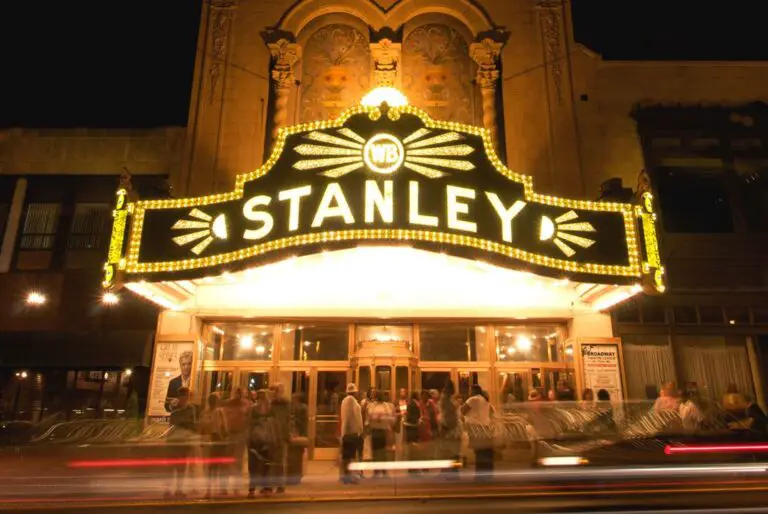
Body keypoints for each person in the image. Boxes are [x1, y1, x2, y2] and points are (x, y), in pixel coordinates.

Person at [164, 387, 197, 499]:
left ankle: (179, 489)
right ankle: (167, 490)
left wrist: (184, 422)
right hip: (173, 440)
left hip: (184, 440)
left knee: (181, 467)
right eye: (184, 395)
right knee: (171, 466)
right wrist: (185, 422)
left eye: (186, 395)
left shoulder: (190, 408)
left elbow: (192, 424)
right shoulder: (175, 407)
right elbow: (175, 421)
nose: (186, 398)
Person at [199, 393, 229, 499]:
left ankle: (219, 487)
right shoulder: (204, 413)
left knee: (218, 465)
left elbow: (224, 427)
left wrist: (224, 439)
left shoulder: (220, 412)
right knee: (208, 466)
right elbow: (201, 428)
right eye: (212, 399)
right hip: (207, 439)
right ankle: (209, 489)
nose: (213, 402)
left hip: (217, 439)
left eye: (215, 400)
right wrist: (201, 440)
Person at [462, 384, 494, 481]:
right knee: (485, 452)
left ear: (473, 391)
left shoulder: (472, 399)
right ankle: (487, 474)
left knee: (479, 452)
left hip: (476, 428)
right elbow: (491, 413)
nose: (469, 392)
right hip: (486, 427)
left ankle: (480, 475)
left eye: (470, 390)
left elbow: (462, 410)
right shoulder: (485, 400)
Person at [247, 389, 276, 497]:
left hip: (266, 439)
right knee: (255, 464)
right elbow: (249, 423)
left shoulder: (270, 409)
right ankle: (253, 487)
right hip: (256, 439)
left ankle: (265, 487)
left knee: (266, 464)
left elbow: (274, 423)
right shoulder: (254, 409)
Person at [223, 388, 251, 495]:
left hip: (240, 434)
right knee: (226, 461)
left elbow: (249, 419)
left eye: (240, 392)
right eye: (236, 392)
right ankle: (224, 487)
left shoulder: (246, 404)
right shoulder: (228, 404)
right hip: (229, 434)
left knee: (238, 462)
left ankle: (236, 487)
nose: (238, 395)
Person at [340, 383, 363, 484]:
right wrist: (360, 431)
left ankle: (346, 476)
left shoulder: (344, 401)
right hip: (352, 432)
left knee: (346, 457)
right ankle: (351, 477)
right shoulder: (352, 402)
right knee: (351, 456)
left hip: (346, 432)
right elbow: (356, 417)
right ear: (354, 392)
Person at [269, 384, 291, 494]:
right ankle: (275, 484)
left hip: (279, 436)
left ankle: (279, 484)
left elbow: (288, 420)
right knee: (274, 461)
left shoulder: (283, 404)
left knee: (279, 461)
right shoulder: (271, 405)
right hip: (273, 436)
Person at [368, 390, 394, 477]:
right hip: (375, 431)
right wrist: (377, 417)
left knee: (383, 452)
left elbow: (390, 417)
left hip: (383, 431)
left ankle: (384, 471)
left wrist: (381, 418)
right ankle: (376, 471)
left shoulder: (386, 406)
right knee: (375, 452)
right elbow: (370, 416)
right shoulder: (372, 405)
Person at [438, 380, 461, 480]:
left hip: (448, 427)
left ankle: (449, 472)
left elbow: (446, 414)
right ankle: (453, 472)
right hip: (453, 427)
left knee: (447, 451)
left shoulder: (447, 400)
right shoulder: (450, 400)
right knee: (453, 452)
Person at [287, 393, 309, 485]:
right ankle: (296, 475)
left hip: (297, 432)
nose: (292, 400)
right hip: (299, 433)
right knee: (297, 457)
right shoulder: (301, 407)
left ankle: (295, 475)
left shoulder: (296, 408)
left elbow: (301, 421)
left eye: (294, 398)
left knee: (296, 456)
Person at [403, 391, 421, 473]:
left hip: (411, 427)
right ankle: (412, 468)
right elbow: (412, 416)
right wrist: (418, 421)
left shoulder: (411, 403)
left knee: (412, 449)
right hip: (412, 428)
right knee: (413, 448)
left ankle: (412, 467)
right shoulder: (413, 404)